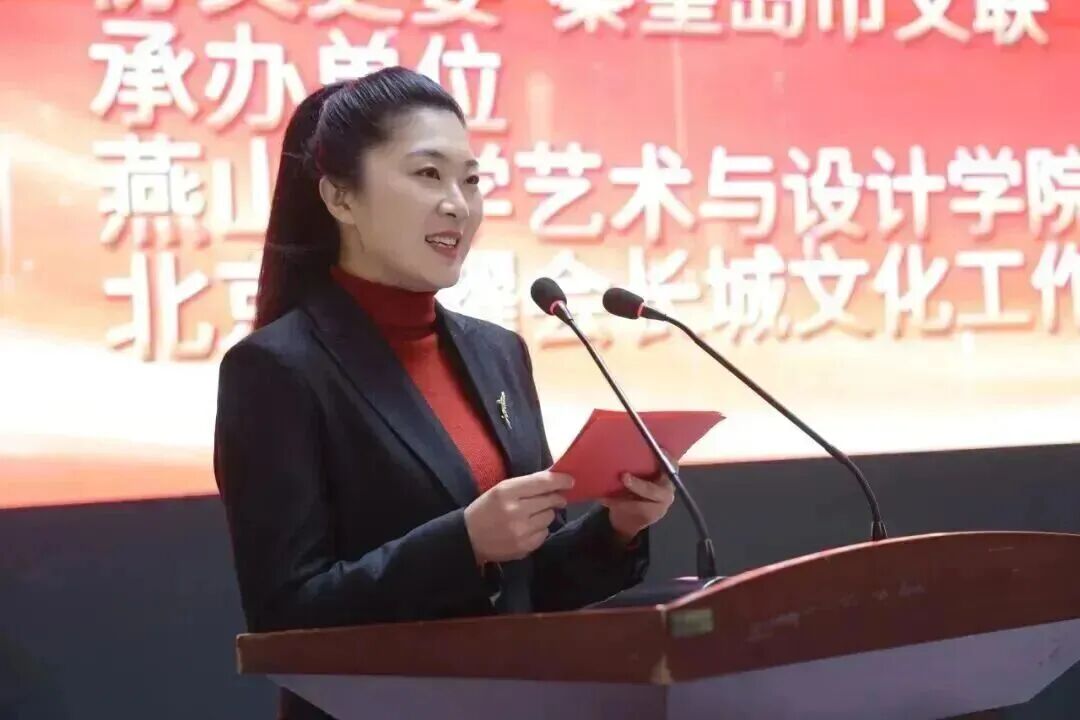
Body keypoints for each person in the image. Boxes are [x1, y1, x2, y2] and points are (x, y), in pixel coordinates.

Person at [213, 67, 676, 720]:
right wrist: (464, 543)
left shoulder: (498, 352)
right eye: (428, 174)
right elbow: (284, 616)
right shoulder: (276, 369)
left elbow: (530, 588)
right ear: (340, 197)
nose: (458, 204)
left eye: (471, 180)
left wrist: (618, 528)